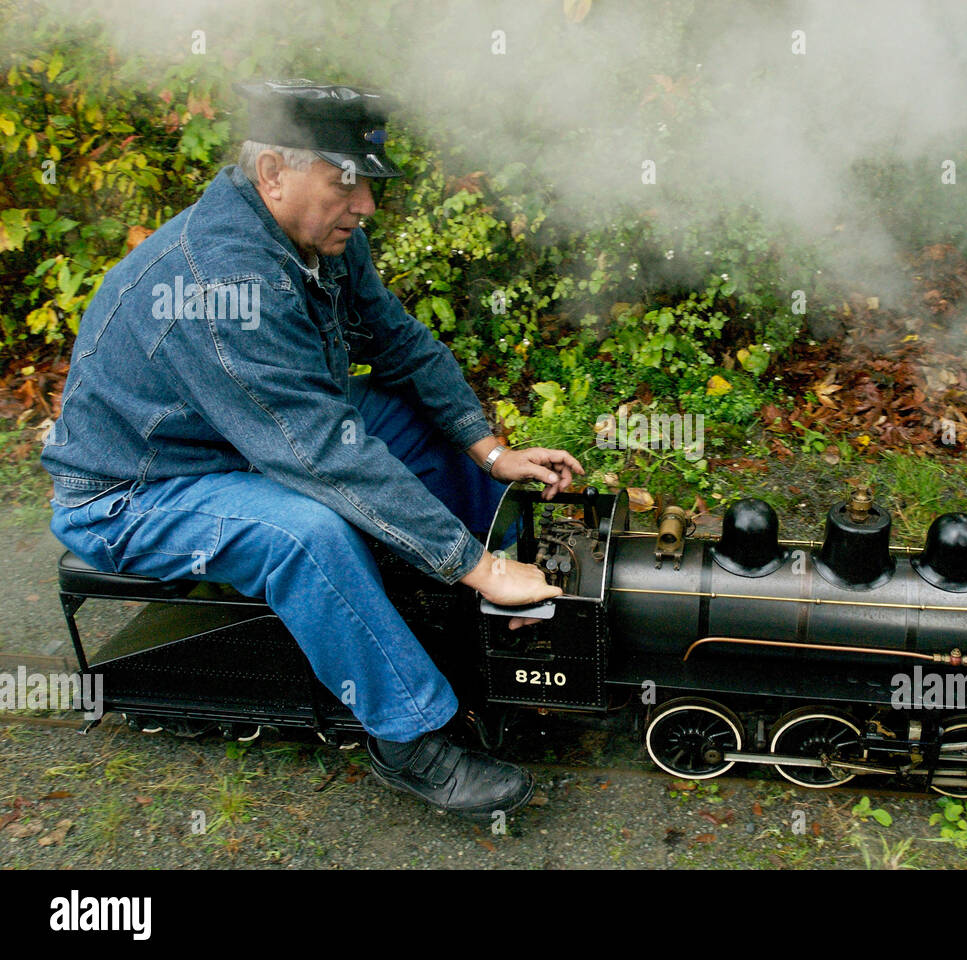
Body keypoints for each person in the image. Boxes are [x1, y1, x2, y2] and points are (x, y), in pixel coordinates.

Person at [40, 80, 583, 820]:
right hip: (136, 490)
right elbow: (318, 449)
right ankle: (408, 738)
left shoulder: (319, 237)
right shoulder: (223, 281)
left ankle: (521, 595)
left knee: (399, 415)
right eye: (347, 185)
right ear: (273, 174)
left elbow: (398, 342)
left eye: (369, 187)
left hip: (239, 436)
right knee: (305, 535)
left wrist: (491, 453)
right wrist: (473, 568)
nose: (365, 208)